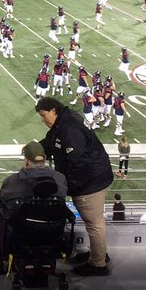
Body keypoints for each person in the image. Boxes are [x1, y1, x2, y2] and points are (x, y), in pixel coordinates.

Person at [36, 96, 114, 276]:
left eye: (43, 115)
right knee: (95, 222)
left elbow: (79, 163)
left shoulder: (69, 128)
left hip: (90, 182)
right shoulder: (64, 122)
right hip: (93, 178)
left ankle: (98, 264)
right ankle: (98, 254)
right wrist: (34, 148)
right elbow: (51, 142)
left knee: (94, 223)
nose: (42, 119)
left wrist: (71, 187)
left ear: (54, 110)